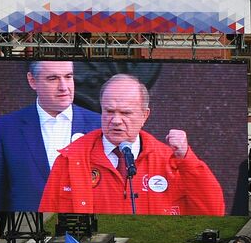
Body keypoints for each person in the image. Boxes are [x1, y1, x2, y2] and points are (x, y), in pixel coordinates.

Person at [39, 74, 225, 215]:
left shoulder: (171, 161)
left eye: (126, 113)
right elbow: (47, 216)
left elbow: (213, 212)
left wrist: (187, 161)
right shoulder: (70, 159)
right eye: (109, 111)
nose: (116, 120)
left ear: (145, 115)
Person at [0, 61, 100, 213]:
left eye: (68, 77)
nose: (64, 87)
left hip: (88, 227)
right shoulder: (4, 129)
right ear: (32, 81)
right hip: (25, 230)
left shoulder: (100, 126)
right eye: (53, 78)